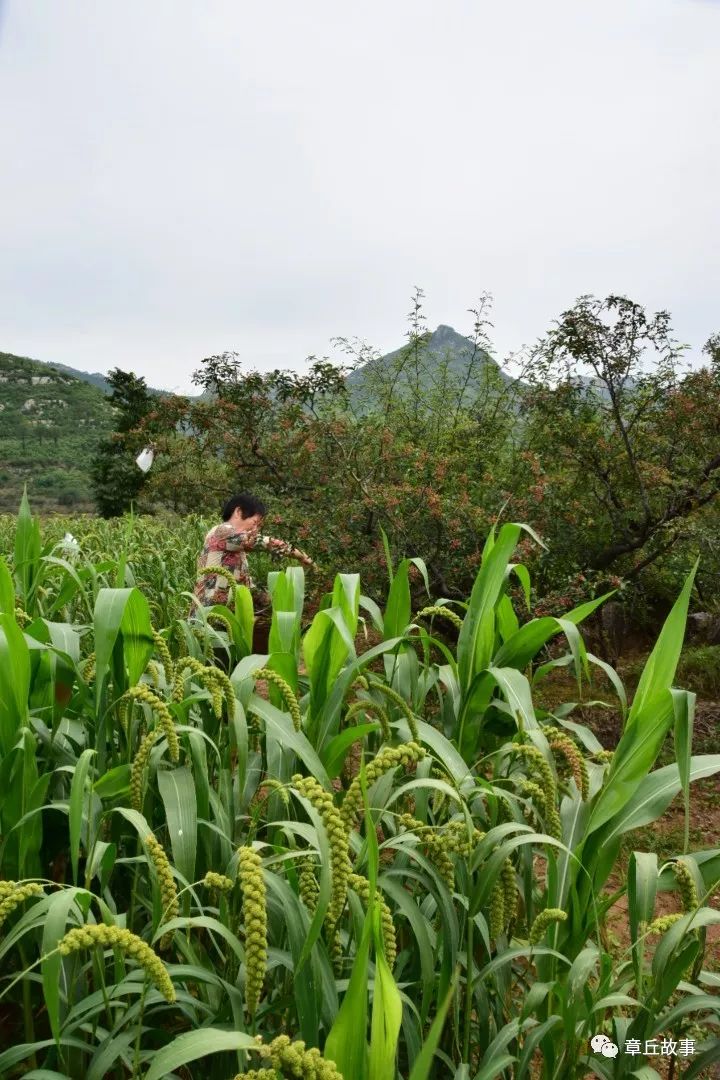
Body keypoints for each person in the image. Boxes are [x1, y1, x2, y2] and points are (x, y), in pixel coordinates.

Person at [191, 492, 313, 615]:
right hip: (207, 616)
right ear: (238, 512)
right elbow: (263, 542)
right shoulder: (223, 531)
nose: (255, 530)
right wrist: (301, 555)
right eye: (254, 522)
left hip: (222, 615)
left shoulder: (235, 546)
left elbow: (246, 586)